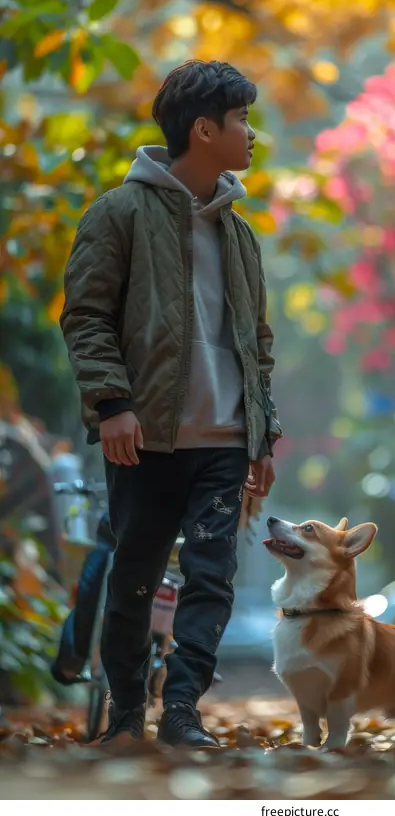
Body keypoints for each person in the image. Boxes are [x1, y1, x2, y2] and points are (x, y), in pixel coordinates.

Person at [59, 60, 282, 747]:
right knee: (135, 574)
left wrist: (263, 435)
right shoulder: (119, 213)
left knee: (212, 576)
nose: (252, 135)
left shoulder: (239, 235)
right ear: (205, 128)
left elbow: (258, 344)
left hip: (223, 441)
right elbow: (86, 315)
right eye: (243, 120)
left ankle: (182, 710)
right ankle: (127, 711)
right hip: (144, 435)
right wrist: (112, 403)